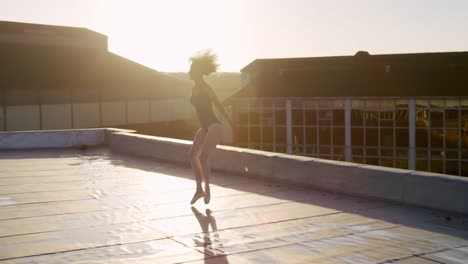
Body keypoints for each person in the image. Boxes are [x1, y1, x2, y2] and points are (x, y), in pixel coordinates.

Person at [188, 50, 233, 205]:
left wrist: (230, 123)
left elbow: (218, 105)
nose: (189, 72)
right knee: (193, 154)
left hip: (214, 126)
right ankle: (198, 189)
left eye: (192, 69)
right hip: (205, 126)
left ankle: (207, 189)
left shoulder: (206, 88)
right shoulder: (194, 89)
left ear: (198, 72)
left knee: (203, 157)